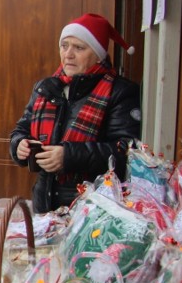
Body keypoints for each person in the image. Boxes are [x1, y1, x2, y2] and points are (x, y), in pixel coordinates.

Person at [9, 13, 142, 213]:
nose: (68, 54)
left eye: (79, 48)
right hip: (45, 203)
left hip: (93, 207)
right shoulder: (46, 87)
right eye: (64, 46)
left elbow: (127, 152)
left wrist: (69, 156)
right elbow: (21, 129)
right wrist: (19, 145)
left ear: (98, 55)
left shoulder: (120, 92)